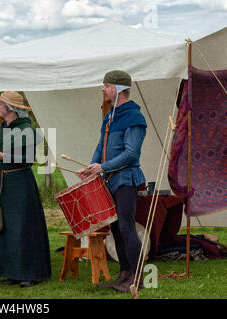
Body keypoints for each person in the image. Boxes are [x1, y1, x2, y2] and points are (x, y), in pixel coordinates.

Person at [76, 70, 147, 293]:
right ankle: (124, 275)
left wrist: (103, 167)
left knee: (126, 227)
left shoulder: (134, 117)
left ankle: (137, 279)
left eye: (106, 85)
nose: (103, 89)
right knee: (116, 229)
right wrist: (91, 167)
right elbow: (101, 146)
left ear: (117, 88)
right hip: (110, 179)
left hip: (126, 179)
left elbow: (131, 154)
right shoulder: (110, 115)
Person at [0, 91, 51, 288]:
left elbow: (28, 160)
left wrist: (3, 156)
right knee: (7, 227)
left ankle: (29, 273)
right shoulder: (2, 129)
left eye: (0, 104)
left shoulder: (26, 129)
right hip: (4, 182)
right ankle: (13, 272)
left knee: (23, 227)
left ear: (10, 108)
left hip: (21, 182)